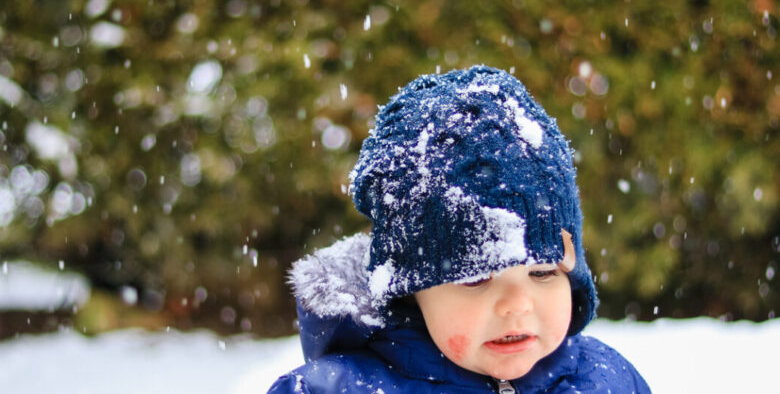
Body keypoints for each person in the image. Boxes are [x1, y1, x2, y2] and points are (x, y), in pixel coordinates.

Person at [268, 65, 651, 393]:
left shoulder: (607, 380)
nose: (518, 303)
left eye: (544, 271)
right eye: (477, 277)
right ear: (411, 292)